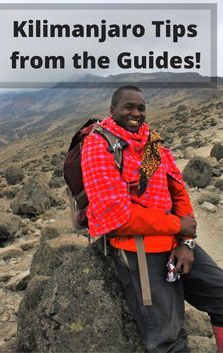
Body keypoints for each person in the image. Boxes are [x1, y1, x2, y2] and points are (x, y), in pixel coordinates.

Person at [81, 85, 223, 353]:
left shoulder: (151, 141)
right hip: (138, 246)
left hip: (174, 240)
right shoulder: (98, 146)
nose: (136, 113)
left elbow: (177, 189)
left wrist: (187, 240)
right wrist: (178, 226)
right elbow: (116, 215)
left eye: (141, 108)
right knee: (168, 337)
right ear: (112, 111)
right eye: (129, 107)